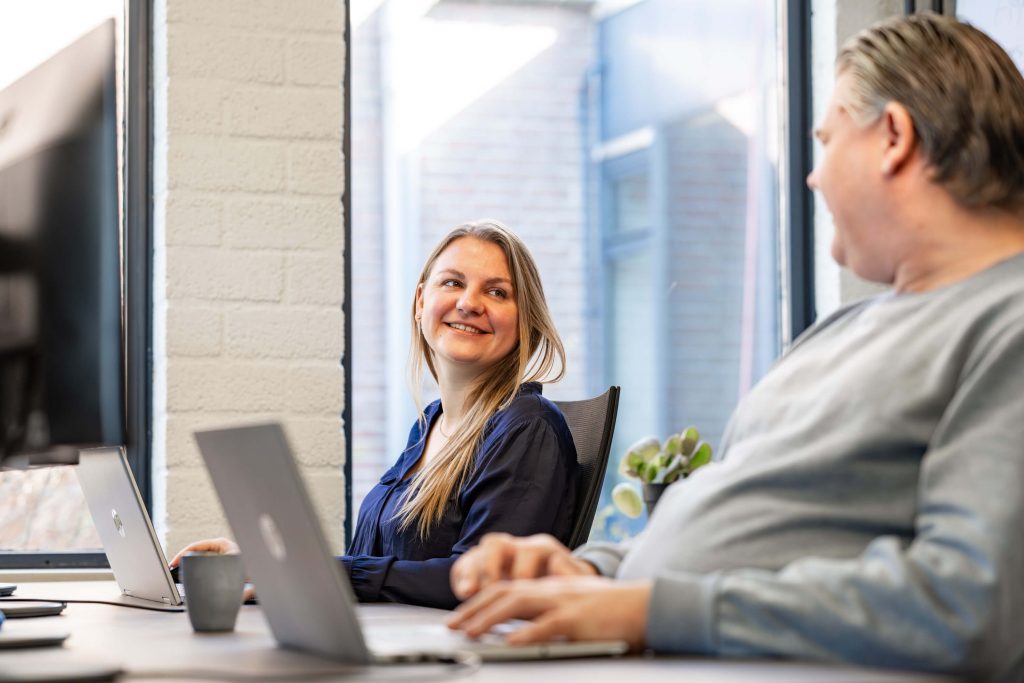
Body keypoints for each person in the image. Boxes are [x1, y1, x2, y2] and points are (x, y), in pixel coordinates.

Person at [447, 14, 1024, 681]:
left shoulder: (1005, 322)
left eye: (828, 140)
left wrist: (651, 609)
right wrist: (589, 570)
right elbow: (738, 524)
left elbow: (969, 604)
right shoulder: (838, 333)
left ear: (893, 137)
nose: (812, 177)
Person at [172, 220, 580, 609]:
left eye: (496, 292)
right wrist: (272, 566)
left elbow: (478, 582)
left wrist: (303, 573)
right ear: (422, 302)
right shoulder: (429, 425)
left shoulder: (527, 427)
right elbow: (379, 570)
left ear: (525, 319)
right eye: (453, 282)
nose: (469, 303)